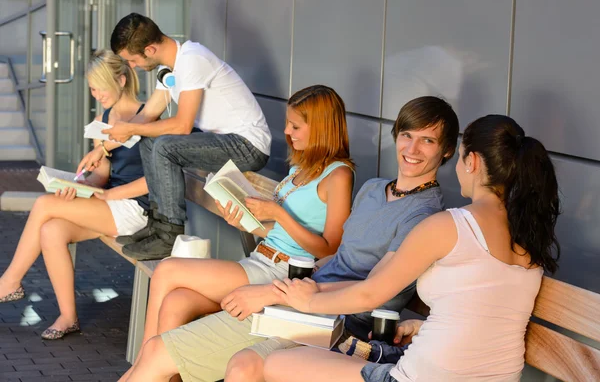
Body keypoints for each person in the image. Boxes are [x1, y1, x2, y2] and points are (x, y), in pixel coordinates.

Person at [119, 96, 460, 382]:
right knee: (161, 350)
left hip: (338, 322)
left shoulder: (425, 216)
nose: (412, 148)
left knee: (240, 366)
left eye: (427, 141)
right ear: (396, 136)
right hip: (300, 300)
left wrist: (272, 290)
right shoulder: (373, 189)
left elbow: (371, 290)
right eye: (407, 135)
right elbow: (335, 257)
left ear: (447, 152)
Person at [264, 114, 561, 382]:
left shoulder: (449, 225)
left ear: (472, 162)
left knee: (276, 364)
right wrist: (425, 327)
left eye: (459, 157)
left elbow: (372, 293)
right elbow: (486, 306)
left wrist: (308, 303)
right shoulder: (530, 239)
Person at [119, 84, 355, 381]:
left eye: (295, 126)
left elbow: (331, 248)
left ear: (321, 127)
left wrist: (278, 212)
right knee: (176, 300)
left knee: (167, 271)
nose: (287, 132)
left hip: (283, 275)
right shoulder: (301, 167)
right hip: (259, 261)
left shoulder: (339, 175)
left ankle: (139, 367)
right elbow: (281, 229)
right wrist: (245, 220)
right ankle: (157, 371)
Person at [77, 13, 272, 260]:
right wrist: (102, 148)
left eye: (133, 60)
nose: (133, 66)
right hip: (222, 141)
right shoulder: (171, 67)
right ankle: (157, 224)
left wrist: (131, 130)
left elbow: (181, 125)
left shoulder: (192, 60)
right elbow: (147, 115)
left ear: (149, 49)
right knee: (150, 141)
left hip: (247, 145)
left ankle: (169, 234)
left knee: (164, 146)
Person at [0, 50, 150, 340]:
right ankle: (68, 317)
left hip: (136, 208)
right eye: (91, 88)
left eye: (100, 87)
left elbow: (155, 179)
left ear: (121, 80)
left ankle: (9, 282)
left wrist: (99, 193)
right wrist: (79, 186)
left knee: (45, 204)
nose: (96, 95)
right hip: (110, 203)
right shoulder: (102, 119)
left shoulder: (147, 117)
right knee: (51, 230)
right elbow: (102, 175)